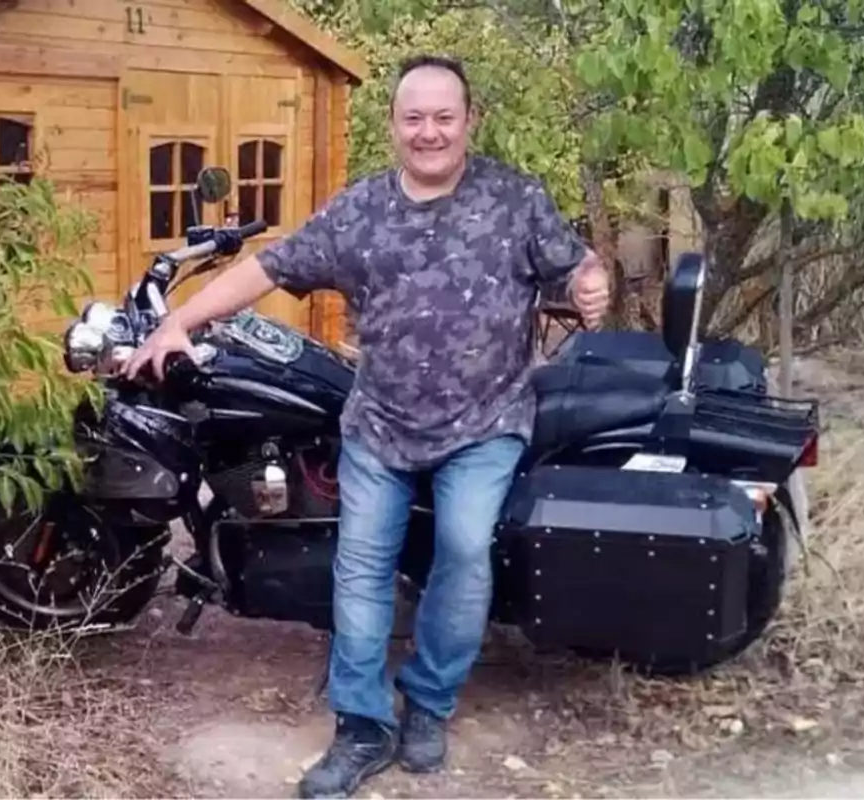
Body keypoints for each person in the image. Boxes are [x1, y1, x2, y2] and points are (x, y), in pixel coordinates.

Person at [124, 54, 610, 798]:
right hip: (381, 423)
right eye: (414, 117)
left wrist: (590, 280)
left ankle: (429, 701)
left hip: (486, 422)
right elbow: (270, 268)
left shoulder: (516, 200)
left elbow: (577, 266)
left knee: (464, 549)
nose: (429, 132)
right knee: (359, 567)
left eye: (444, 116)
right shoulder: (361, 211)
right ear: (394, 126)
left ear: (469, 122)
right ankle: (360, 725)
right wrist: (178, 321)